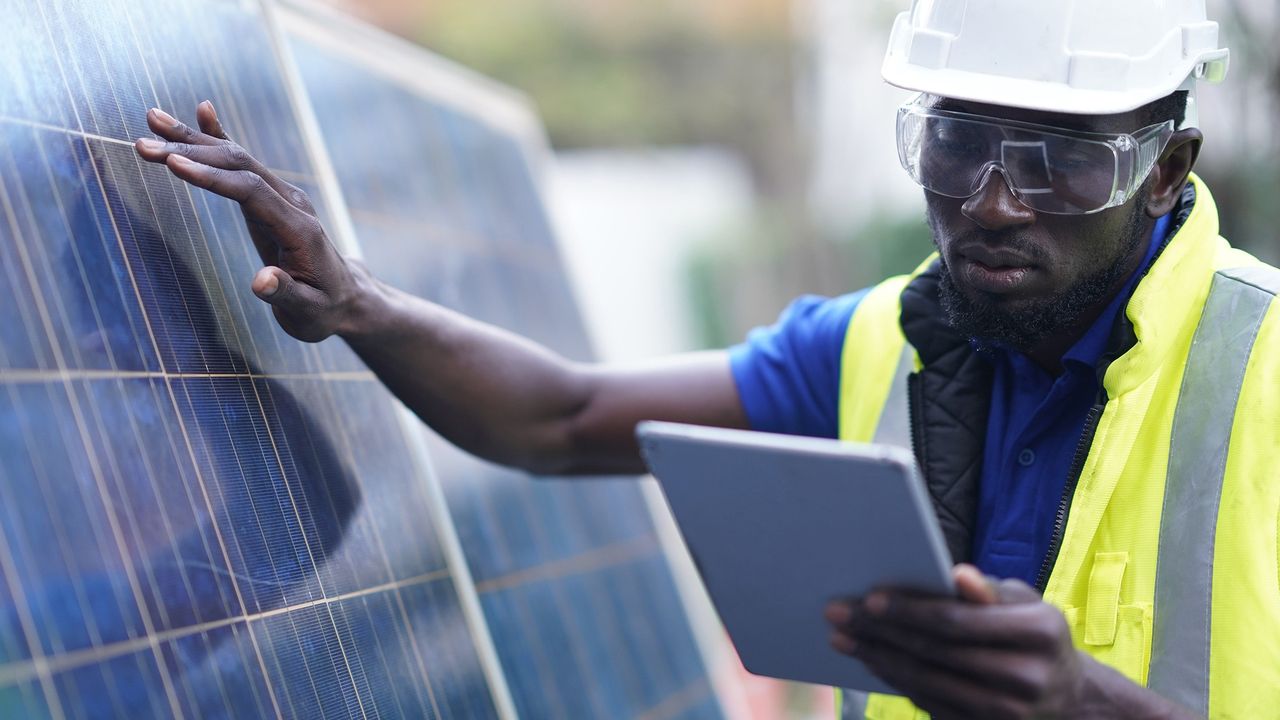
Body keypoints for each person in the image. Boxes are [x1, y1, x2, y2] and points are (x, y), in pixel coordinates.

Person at [134, 0, 1280, 717]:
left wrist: (1081, 706)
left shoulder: (1266, 369)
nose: (988, 202)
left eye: (1057, 165)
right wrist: (358, 304)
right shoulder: (883, 340)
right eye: (954, 142)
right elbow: (559, 417)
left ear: (1167, 165)